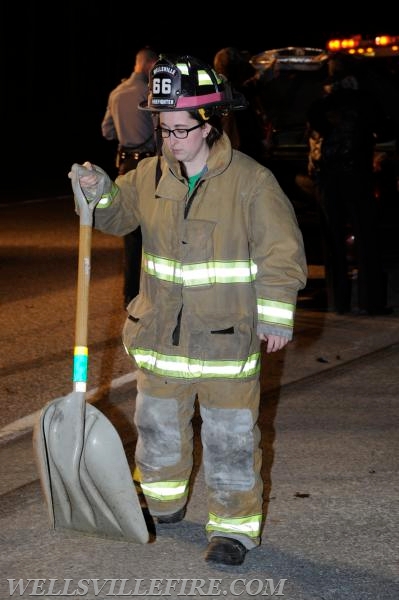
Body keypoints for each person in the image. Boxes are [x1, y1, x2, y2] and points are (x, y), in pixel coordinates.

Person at [70, 55, 307, 566]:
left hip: (226, 341)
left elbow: (280, 253)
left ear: (211, 124)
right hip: (160, 337)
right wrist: (99, 192)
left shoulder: (251, 182)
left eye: (182, 129)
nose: (172, 140)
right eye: (164, 129)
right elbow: (116, 217)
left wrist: (276, 314)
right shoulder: (150, 175)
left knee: (230, 441)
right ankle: (162, 504)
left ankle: (233, 530)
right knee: (156, 430)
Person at [306, 52, 392, 315]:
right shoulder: (365, 101)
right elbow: (385, 129)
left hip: (327, 178)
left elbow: (314, 132)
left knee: (333, 243)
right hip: (357, 175)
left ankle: (338, 302)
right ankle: (372, 302)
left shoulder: (320, 102)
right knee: (367, 240)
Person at [101, 47, 159, 307]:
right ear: (149, 64)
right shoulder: (150, 94)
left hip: (125, 166)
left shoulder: (116, 92)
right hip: (149, 168)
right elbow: (161, 132)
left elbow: (107, 132)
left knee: (131, 234)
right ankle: (151, 294)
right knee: (155, 231)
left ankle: (130, 294)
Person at [213, 47, 268, 163]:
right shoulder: (229, 94)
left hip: (235, 153)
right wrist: (262, 76)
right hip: (237, 154)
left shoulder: (219, 92)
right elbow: (244, 90)